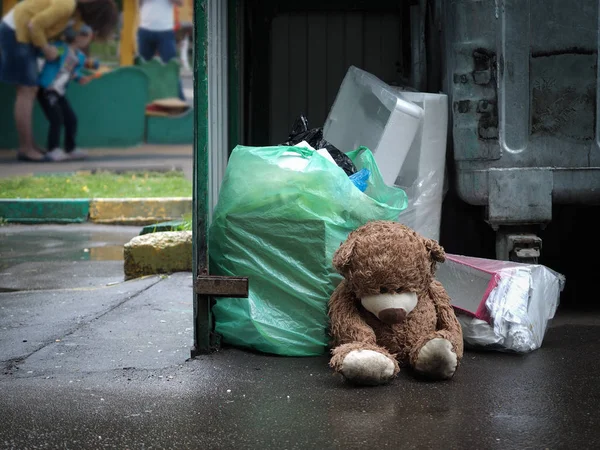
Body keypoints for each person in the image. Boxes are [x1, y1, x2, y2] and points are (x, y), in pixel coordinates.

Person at [0, 0, 118, 162]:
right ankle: (26, 148)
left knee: (31, 89)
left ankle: (30, 145)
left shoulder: (75, 15)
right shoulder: (66, 5)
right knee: (26, 90)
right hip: (16, 31)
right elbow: (35, 24)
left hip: (25, 34)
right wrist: (46, 48)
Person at [36, 25, 94, 162]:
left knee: (71, 119)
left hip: (59, 92)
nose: (85, 40)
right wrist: (49, 51)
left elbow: (71, 72)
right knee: (56, 118)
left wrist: (80, 78)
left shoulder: (79, 57)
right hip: (47, 89)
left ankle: (70, 148)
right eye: (83, 35)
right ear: (75, 36)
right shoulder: (61, 48)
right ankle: (53, 149)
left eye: (87, 37)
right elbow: (45, 54)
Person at [137, 0, 185, 100]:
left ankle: (180, 100)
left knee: (172, 67)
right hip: (145, 29)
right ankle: (140, 99)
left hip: (165, 31)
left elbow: (181, 2)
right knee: (142, 68)